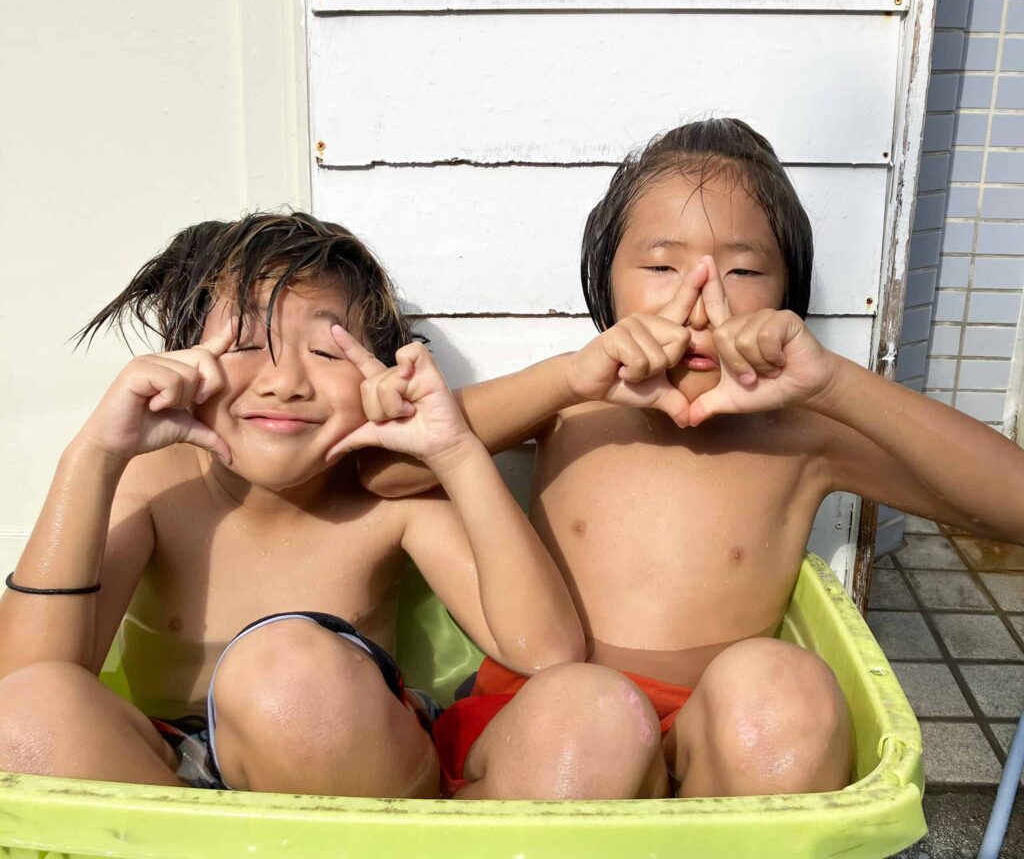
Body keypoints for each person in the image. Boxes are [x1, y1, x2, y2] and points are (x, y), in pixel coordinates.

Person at [362, 119, 1024, 801]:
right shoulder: (571, 407)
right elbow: (386, 473)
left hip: (702, 743)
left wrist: (834, 383)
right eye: (661, 267)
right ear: (606, 285)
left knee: (787, 692)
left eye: (743, 271)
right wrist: (565, 378)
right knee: (586, 720)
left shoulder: (802, 436)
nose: (704, 305)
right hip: (548, 721)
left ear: (786, 294)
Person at [0, 211, 583, 797]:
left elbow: (547, 653)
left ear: (378, 378)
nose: (284, 382)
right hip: (178, 770)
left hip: (355, 764)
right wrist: (94, 456)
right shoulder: (155, 483)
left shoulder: (385, 495)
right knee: (24, 715)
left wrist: (455, 454)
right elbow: (27, 681)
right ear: (184, 364)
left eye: (328, 353)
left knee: (286, 675)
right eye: (247, 344)